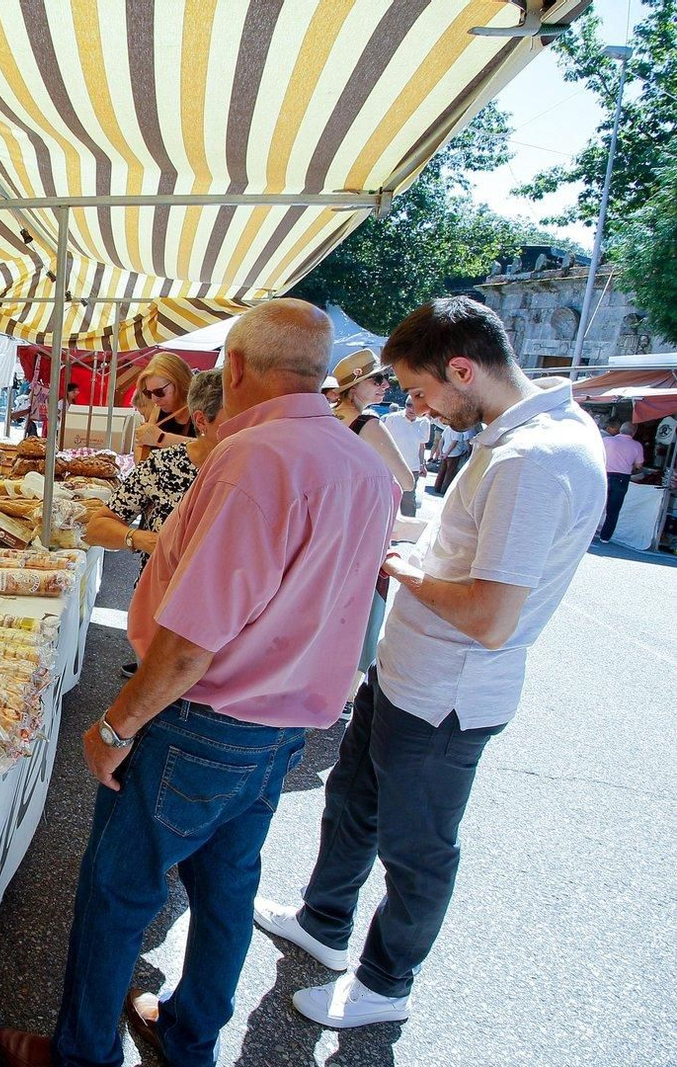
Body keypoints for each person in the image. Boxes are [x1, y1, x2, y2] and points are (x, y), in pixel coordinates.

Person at [0, 299, 398, 1067]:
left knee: (119, 892)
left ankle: (82, 1054)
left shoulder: (254, 460)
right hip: (282, 728)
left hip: (202, 718)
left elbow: (189, 642)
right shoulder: (365, 467)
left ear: (234, 368)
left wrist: (113, 726)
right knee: (225, 892)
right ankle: (187, 1035)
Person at [255, 296, 605, 1030]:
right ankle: (325, 920)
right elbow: (469, 556)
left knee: (418, 848)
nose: (415, 408)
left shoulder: (532, 459)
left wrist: (401, 568)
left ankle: (385, 982)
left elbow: (489, 612)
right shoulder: (522, 437)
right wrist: (411, 553)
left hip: (447, 695)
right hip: (408, 672)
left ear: (464, 368)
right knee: (353, 801)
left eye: (419, 391)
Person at [83, 370, 226, 679]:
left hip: (227, 620)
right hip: (162, 610)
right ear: (203, 421)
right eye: (238, 419)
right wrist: (142, 539)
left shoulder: (258, 469)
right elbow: (97, 527)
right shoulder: (165, 464)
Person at [331, 350, 418, 511]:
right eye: (377, 379)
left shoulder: (325, 414)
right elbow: (407, 481)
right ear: (353, 387)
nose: (386, 384)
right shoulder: (368, 424)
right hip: (350, 515)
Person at [132, 351, 195, 461]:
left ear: (179, 383)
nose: (154, 399)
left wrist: (160, 438)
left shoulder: (202, 411)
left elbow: (210, 447)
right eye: (148, 393)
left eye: (159, 392)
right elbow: (141, 445)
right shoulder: (158, 410)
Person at [380, 403, 431, 516]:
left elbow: (422, 446)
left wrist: (422, 464)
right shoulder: (392, 418)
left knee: (409, 499)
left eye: (415, 406)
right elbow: (383, 441)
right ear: (405, 405)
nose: (411, 409)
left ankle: (408, 529)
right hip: (391, 466)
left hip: (412, 467)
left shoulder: (424, 422)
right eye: (409, 405)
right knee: (387, 498)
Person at [598, 418, 644, 542]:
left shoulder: (606, 441)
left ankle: (587, 533)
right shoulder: (637, 445)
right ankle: (605, 537)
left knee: (596, 505)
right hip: (622, 478)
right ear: (633, 433)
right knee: (613, 510)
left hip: (604, 474)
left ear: (620, 430)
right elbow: (639, 466)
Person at [429, 421, 473, 496]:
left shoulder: (448, 428)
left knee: (441, 472)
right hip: (454, 454)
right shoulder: (458, 430)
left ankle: (437, 487)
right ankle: (444, 490)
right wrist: (447, 453)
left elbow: (441, 441)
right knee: (449, 473)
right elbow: (454, 443)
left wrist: (441, 452)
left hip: (445, 452)